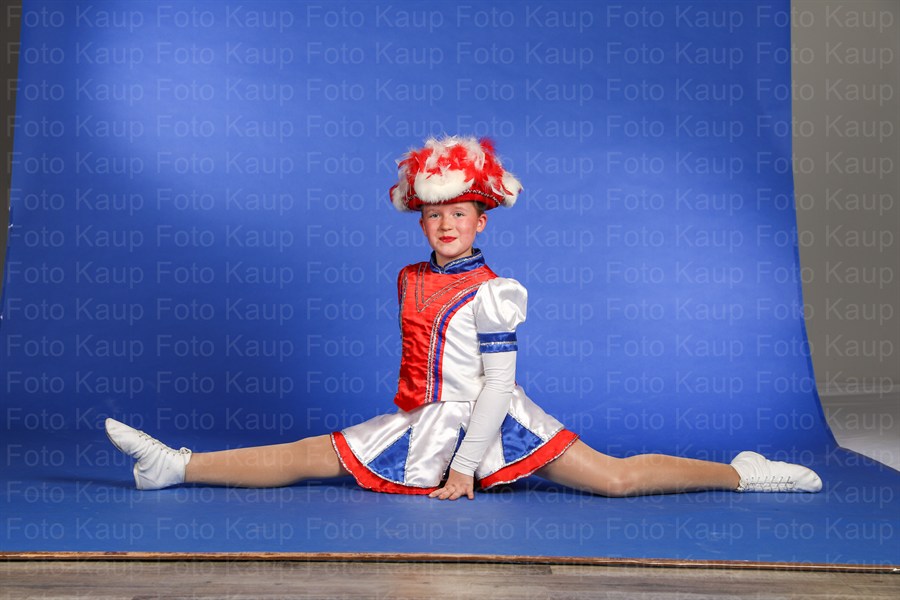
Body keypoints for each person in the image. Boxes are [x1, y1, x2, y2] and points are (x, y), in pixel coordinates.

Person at [105, 136, 822, 501]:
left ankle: (741, 474)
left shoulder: (494, 291)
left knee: (615, 481)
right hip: (423, 418)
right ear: (420, 221)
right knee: (308, 455)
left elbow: (497, 388)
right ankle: (177, 465)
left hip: (494, 420)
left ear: (482, 220)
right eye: (435, 215)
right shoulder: (410, 277)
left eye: (460, 214)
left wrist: (465, 467)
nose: (446, 225)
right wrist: (438, 442)